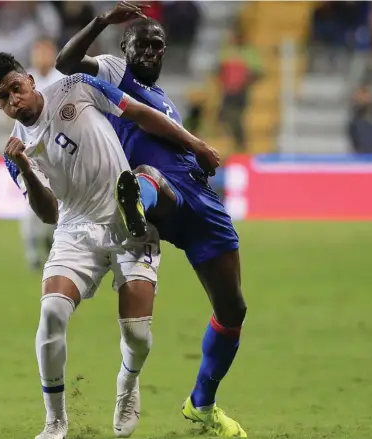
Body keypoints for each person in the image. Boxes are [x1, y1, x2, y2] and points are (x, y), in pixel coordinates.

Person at [0, 51, 218, 439]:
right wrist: (24, 167)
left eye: (15, 89)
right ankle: (54, 422)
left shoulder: (78, 87)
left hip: (130, 217)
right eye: (3, 98)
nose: (13, 101)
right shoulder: (15, 152)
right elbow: (49, 214)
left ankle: (127, 382)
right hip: (75, 228)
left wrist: (195, 144)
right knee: (52, 312)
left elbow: (140, 113)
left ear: (29, 80)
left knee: (137, 336)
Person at [56, 2, 247, 437]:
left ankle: (202, 403)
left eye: (158, 46)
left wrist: (195, 151)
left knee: (233, 308)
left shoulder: (165, 100)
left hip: (201, 199)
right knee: (146, 177)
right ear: (124, 48)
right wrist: (102, 21)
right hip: (161, 192)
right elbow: (65, 62)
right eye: (141, 46)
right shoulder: (112, 73)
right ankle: (134, 209)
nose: (150, 53)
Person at [20, 38, 65, 270]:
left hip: (59, 153)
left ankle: (53, 244)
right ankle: (32, 253)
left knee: (61, 205)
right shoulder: (24, 79)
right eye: (38, 52)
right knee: (31, 204)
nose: (42, 56)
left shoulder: (62, 80)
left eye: (46, 52)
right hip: (32, 154)